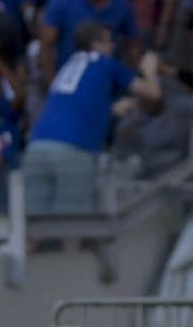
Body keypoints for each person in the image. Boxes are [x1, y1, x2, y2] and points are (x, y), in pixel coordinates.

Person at [24, 22, 161, 215]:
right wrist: (149, 70)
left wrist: (112, 109)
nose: (113, 46)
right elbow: (153, 94)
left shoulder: (68, 66)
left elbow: (77, 104)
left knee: (34, 226)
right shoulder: (104, 63)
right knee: (72, 224)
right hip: (72, 150)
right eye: (108, 41)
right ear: (95, 44)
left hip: (36, 148)